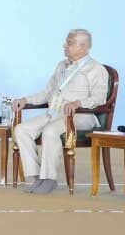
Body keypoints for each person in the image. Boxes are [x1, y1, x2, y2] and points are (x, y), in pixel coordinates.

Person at [10, 29, 109, 195]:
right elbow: (47, 93)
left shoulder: (95, 68)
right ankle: (38, 177)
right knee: (21, 130)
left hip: (81, 115)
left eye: (69, 43)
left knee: (50, 131)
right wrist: (25, 100)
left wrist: (78, 103)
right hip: (55, 112)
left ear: (83, 47)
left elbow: (100, 98)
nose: (65, 45)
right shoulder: (61, 66)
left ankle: (50, 179)